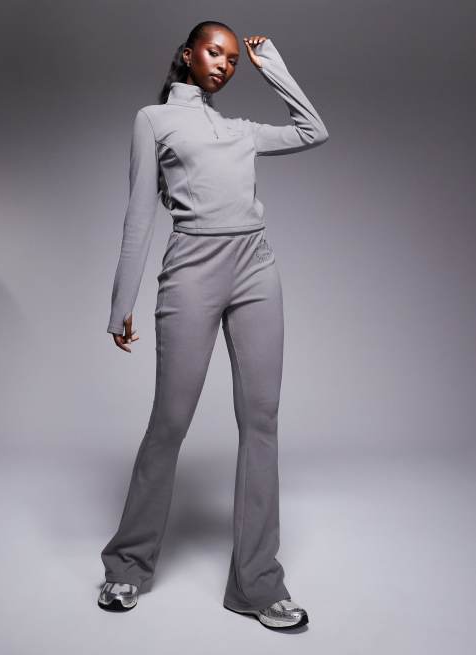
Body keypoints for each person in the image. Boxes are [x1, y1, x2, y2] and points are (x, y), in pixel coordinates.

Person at [97, 20, 329, 630]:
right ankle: (127, 565)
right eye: (215, 53)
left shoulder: (240, 130)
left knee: (262, 421)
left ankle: (257, 584)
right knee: (170, 421)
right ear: (188, 54)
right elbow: (139, 213)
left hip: (256, 266)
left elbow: (313, 129)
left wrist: (271, 65)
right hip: (192, 268)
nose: (224, 64)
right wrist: (121, 301)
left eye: (232, 59)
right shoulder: (154, 120)